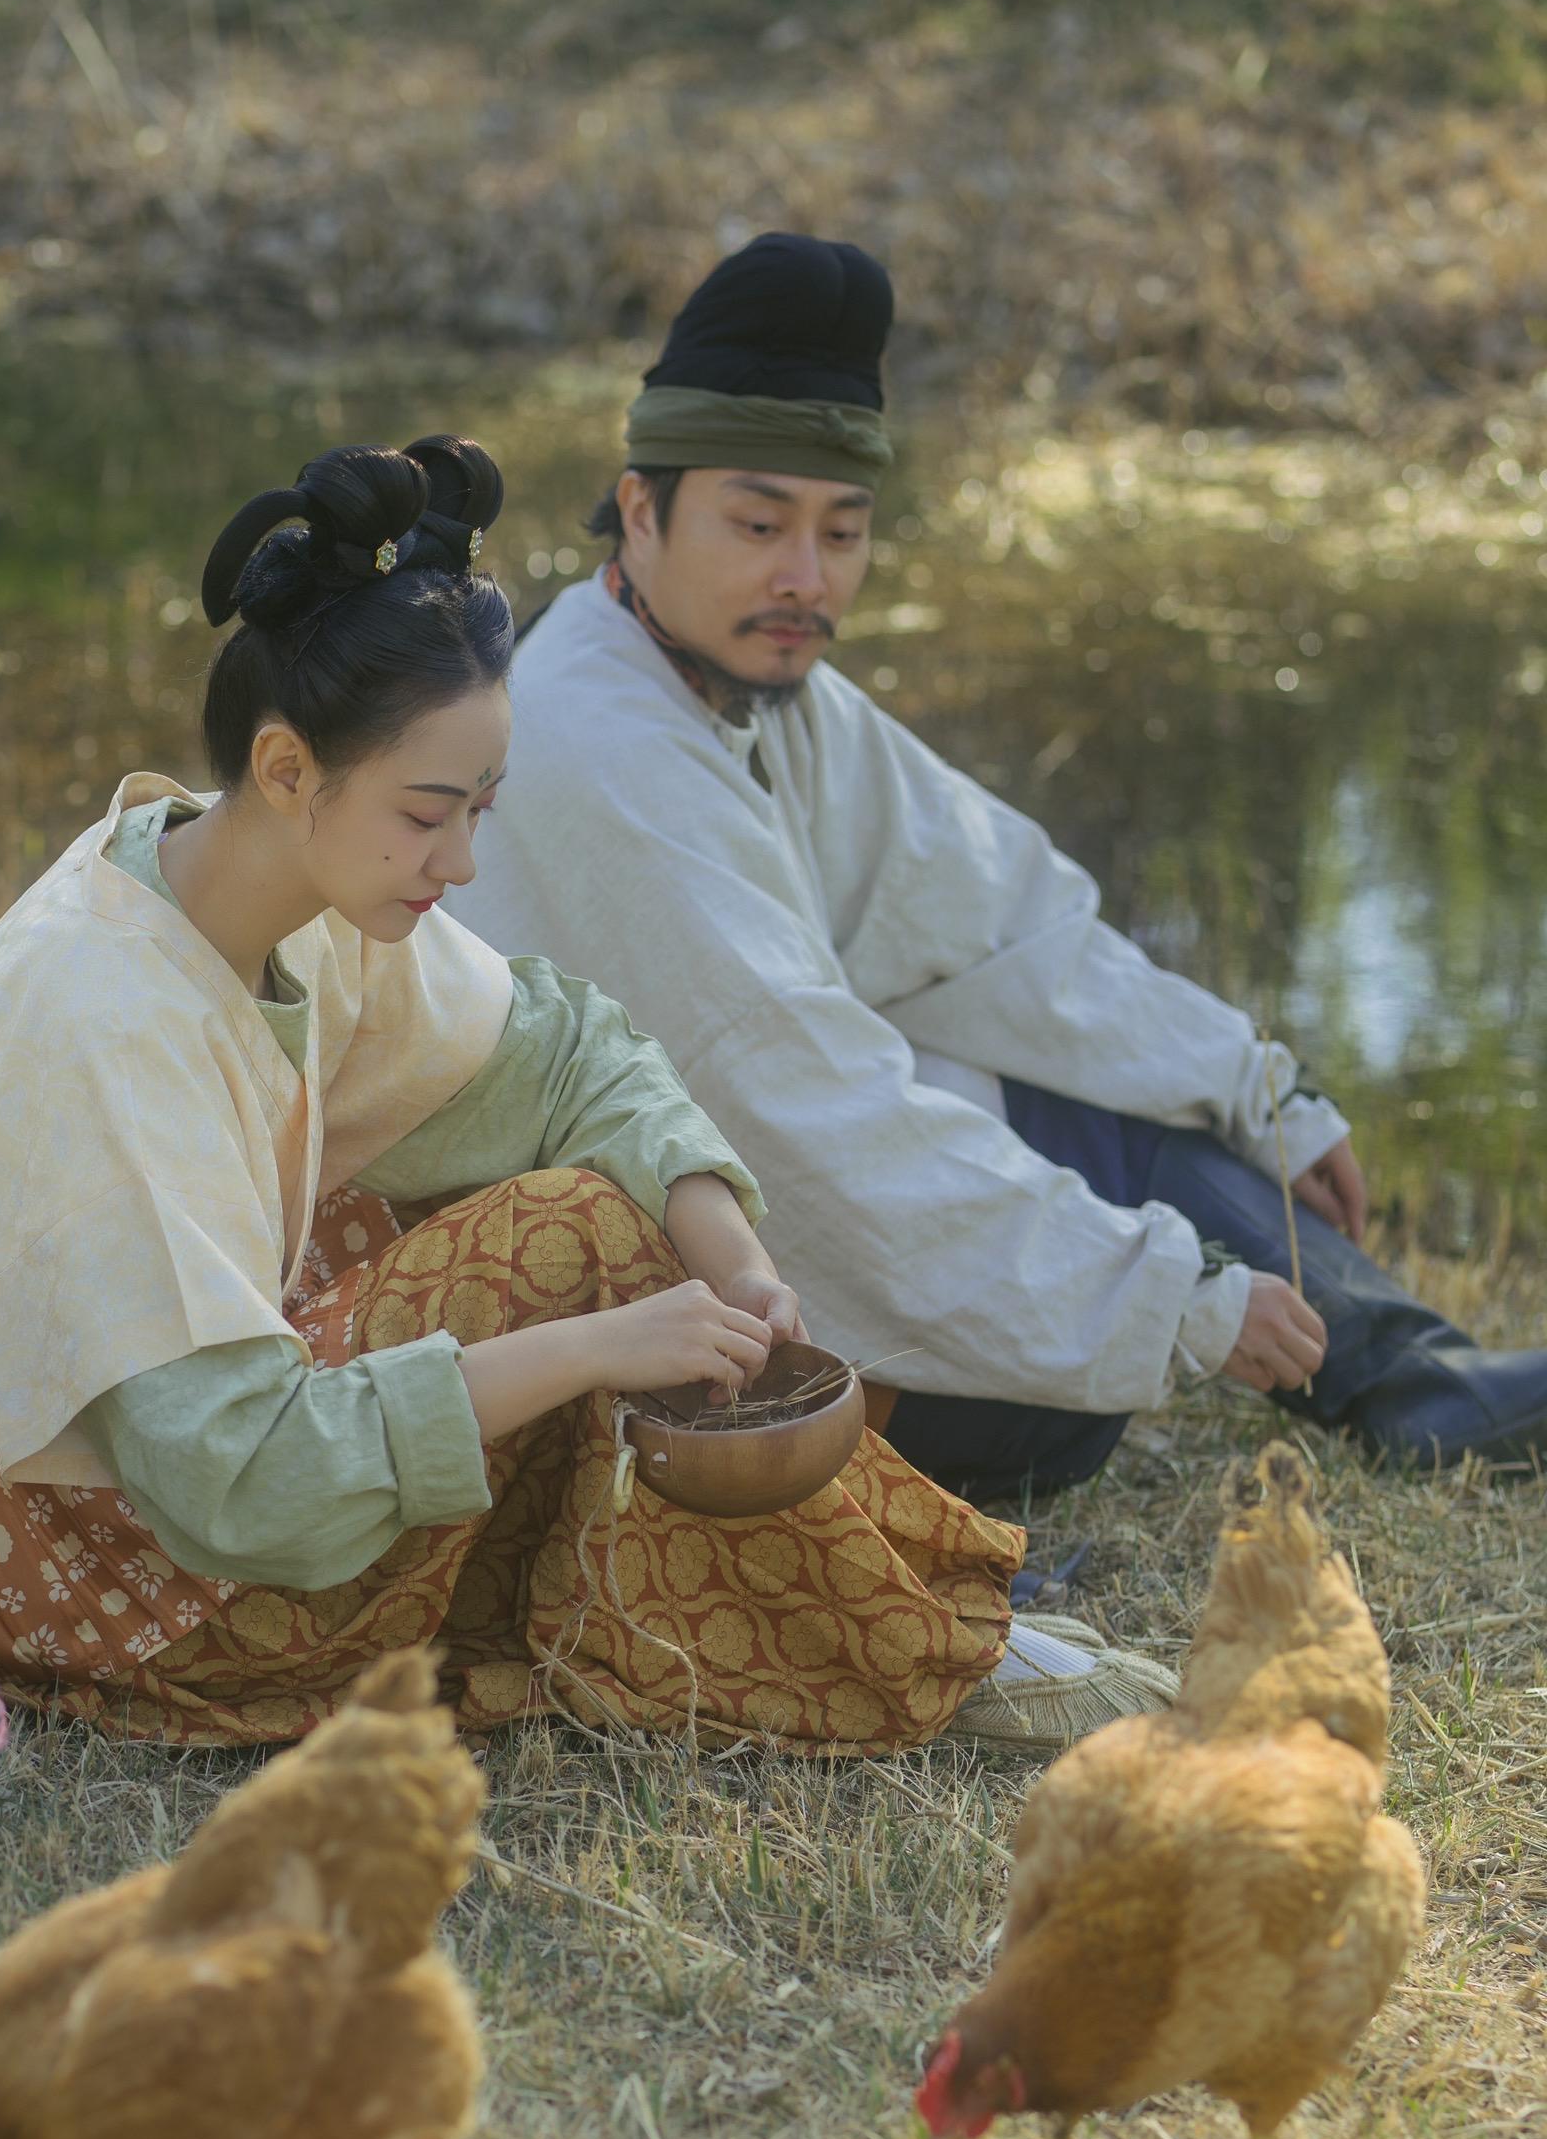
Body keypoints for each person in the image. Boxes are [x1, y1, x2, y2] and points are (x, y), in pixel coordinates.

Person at [0, 434, 1174, 1753]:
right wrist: (597, 1344)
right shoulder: (104, 1014)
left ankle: (924, 1617)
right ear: (291, 767)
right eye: (431, 814)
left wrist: (731, 1252)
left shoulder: (282, 877)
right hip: (131, 1562)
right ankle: (932, 1646)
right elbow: (238, 1485)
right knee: (567, 1247)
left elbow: (570, 1052)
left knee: (567, 1205)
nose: (464, 861)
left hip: (193, 1468)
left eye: (484, 808)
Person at [455, 233, 1547, 1505]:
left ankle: (1416, 1381)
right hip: (651, 1291)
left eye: (842, 532)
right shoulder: (597, 736)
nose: (805, 579)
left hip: (766, 1202)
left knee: (1118, 1085)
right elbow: (798, 1107)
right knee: (1056, 1407)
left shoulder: (759, 684)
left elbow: (1007, 929)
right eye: (759, 524)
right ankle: (1341, 1366)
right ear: (641, 510)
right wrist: (1166, 1297)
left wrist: (1253, 1087)